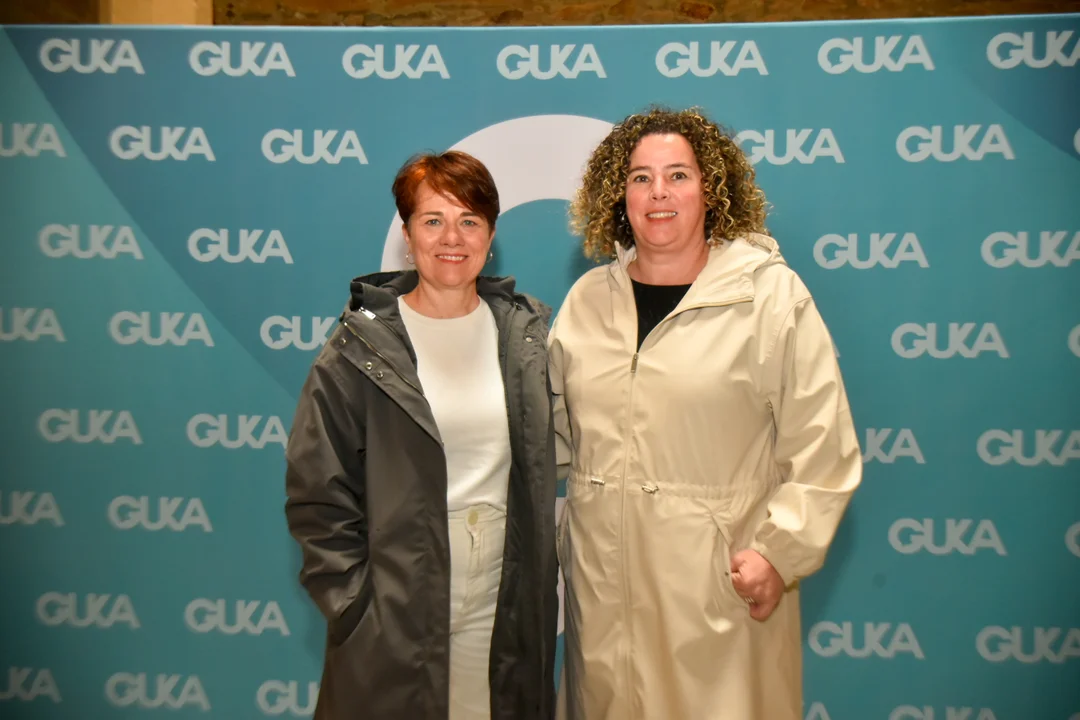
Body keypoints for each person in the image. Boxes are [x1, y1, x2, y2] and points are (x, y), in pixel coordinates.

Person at [548, 107, 863, 719]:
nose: (658, 193)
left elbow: (824, 450)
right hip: (602, 597)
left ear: (712, 190)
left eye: (678, 175)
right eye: (640, 178)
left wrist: (777, 553)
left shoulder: (769, 297)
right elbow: (553, 438)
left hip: (717, 595)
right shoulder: (586, 302)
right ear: (618, 195)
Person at [284, 150, 559, 720]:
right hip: (397, 598)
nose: (451, 237)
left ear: (491, 235)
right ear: (407, 236)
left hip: (503, 591)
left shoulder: (526, 336)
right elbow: (317, 492)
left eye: (469, 220)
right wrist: (356, 605)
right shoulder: (358, 348)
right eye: (433, 220)